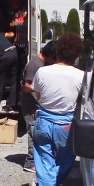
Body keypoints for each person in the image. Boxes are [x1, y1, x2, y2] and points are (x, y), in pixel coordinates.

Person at [29, 32, 84, 186]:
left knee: (44, 159)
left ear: (58, 50)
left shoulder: (42, 72)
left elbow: (37, 94)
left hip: (44, 120)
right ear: (76, 54)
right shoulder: (81, 76)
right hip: (66, 124)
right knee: (67, 158)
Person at [19, 40, 56, 173]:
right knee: (33, 132)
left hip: (36, 104)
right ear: (50, 55)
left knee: (37, 131)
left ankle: (38, 160)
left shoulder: (41, 64)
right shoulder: (35, 64)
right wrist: (41, 91)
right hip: (30, 105)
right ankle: (30, 162)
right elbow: (27, 86)